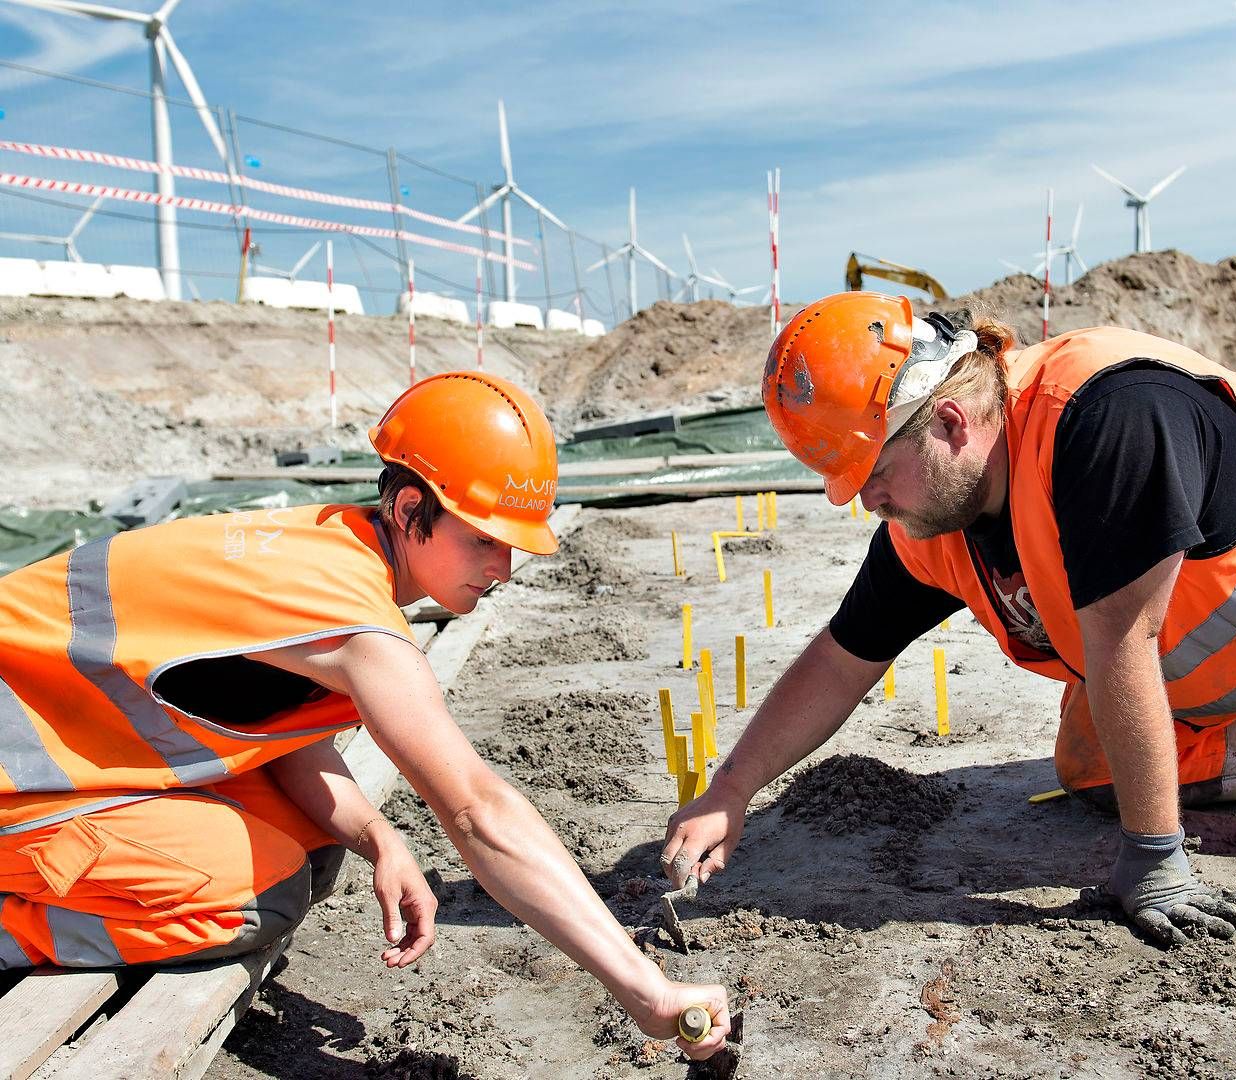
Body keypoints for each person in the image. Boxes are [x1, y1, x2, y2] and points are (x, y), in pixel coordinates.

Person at [662, 291, 1236, 948]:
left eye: (873, 474)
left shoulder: (1110, 422)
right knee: (1096, 769)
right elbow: (843, 658)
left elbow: (1125, 645)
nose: (867, 501)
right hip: (1215, 653)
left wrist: (1155, 859)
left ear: (952, 423)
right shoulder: (934, 516)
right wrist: (730, 788)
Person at [0, 370, 729, 1058]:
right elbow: (477, 811)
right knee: (257, 896)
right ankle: (12, 922)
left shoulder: (328, 543)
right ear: (410, 510)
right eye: (483, 538)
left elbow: (270, 728)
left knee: (317, 846)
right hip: (20, 771)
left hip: (65, 745)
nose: (502, 568)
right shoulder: (351, 616)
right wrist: (644, 989)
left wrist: (379, 838)